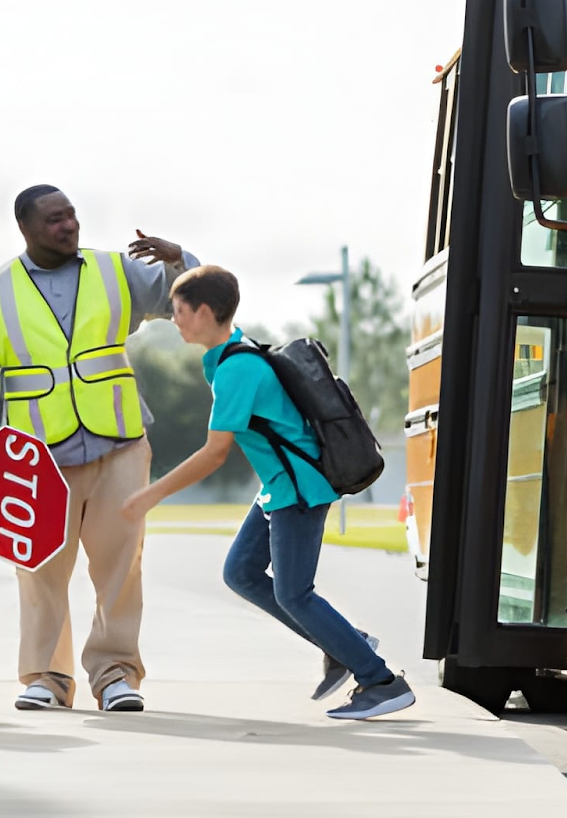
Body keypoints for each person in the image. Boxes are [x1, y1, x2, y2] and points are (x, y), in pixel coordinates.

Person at [0, 184, 199, 712]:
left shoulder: (115, 271)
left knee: (120, 564)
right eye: (55, 219)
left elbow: (190, 301)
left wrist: (180, 261)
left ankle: (116, 674)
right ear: (27, 229)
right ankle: (47, 677)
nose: (69, 225)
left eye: (72, 215)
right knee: (38, 567)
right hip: (35, 456)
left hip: (120, 443)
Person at [120, 266, 416, 721]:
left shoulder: (238, 369)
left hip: (299, 490)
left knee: (295, 594)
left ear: (202, 311)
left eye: (177, 312)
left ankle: (380, 681)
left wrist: (148, 495)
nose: (173, 320)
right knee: (241, 572)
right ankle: (345, 644)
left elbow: (215, 453)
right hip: (281, 488)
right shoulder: (230, 356)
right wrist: (173, 256)